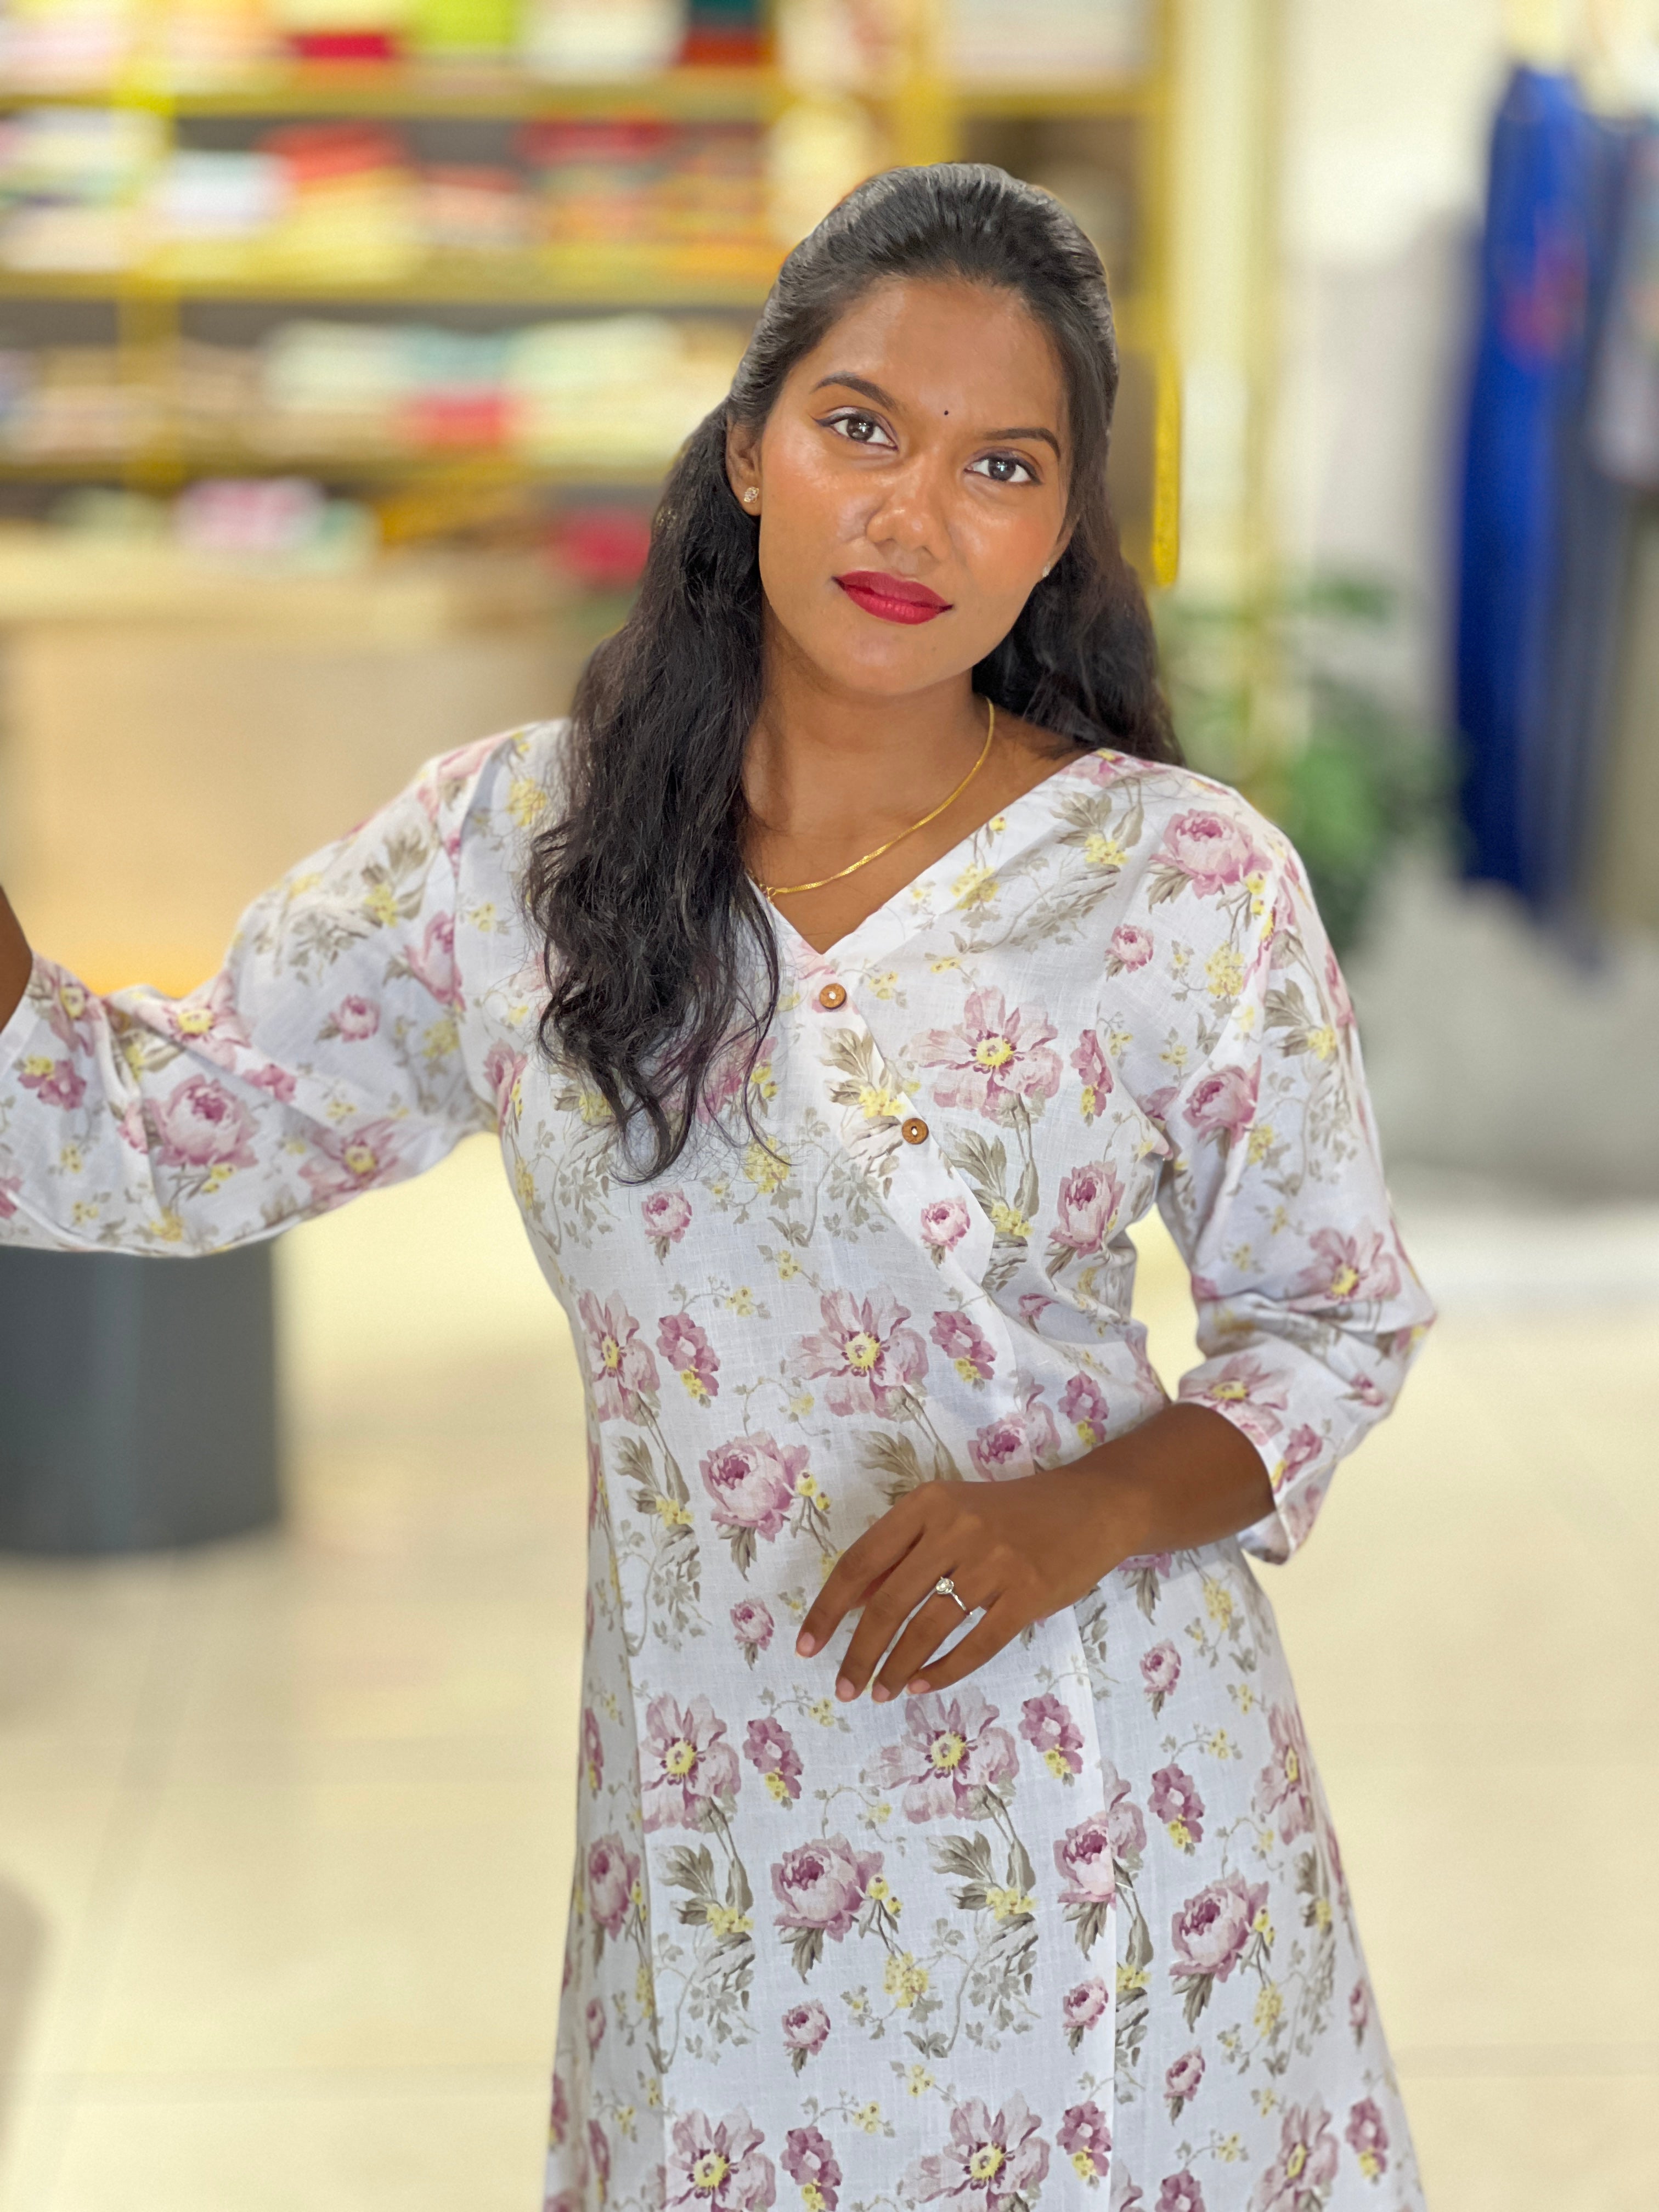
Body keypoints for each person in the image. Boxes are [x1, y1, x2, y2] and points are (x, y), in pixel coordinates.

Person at [0, 165, 1435, 2211]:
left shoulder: (1181, 884)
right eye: (862, 427)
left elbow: (1330, 1322)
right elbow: (127, 1136)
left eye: (1002, 467)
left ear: (1060, 532)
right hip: (717, 1861)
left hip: (1112, 1821)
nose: (915, 516)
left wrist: (1088, 1511)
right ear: (751, 447)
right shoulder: (517, 852)